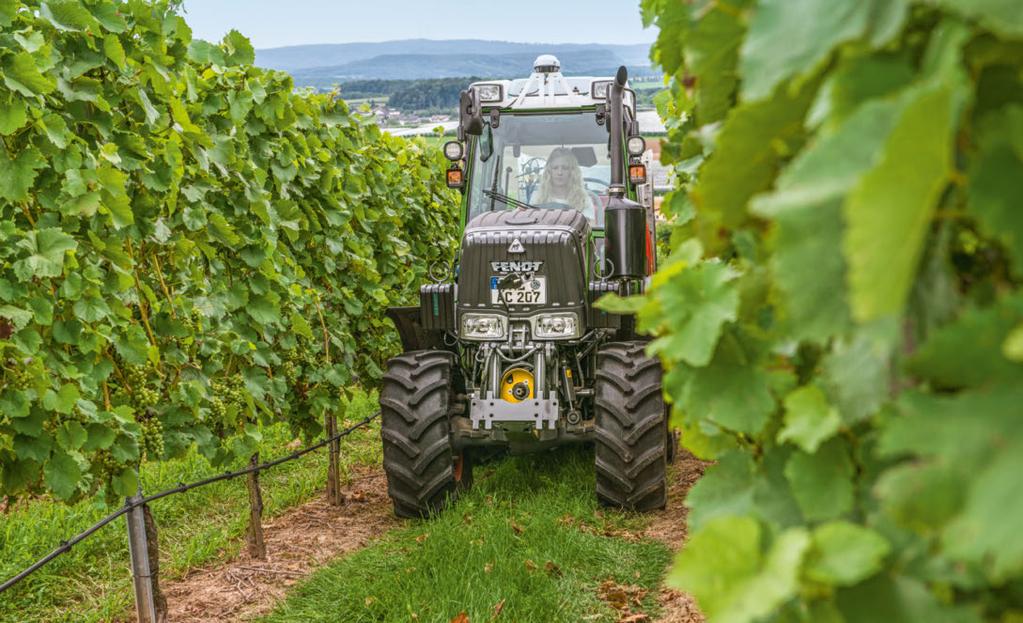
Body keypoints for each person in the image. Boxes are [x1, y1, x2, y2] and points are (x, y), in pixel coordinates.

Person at [534, 147, 600, 222]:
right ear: (549, 171)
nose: (559, 172)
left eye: (565, 168)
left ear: (572, 171)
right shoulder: (537, 199)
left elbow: (590, 229)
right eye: (555, 168)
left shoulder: (584, 201)